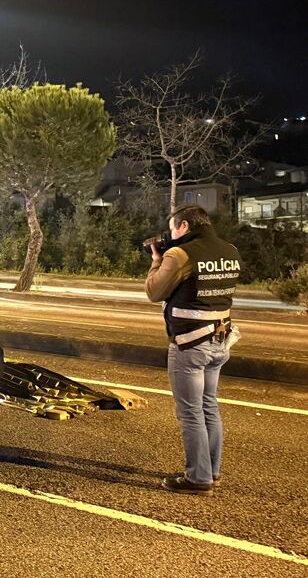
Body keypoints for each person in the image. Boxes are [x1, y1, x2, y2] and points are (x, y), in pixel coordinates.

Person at [145, 205, 241, 496]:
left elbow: (154, 291)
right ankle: (211, 470)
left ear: (184, 226)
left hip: (190, 344)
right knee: (209, 405)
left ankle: (198, 478)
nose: (172, 234)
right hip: (220, 340)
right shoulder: (230, 250)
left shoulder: (180, 255)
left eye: (174, 228)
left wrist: (156, 261)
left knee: (190, 412)